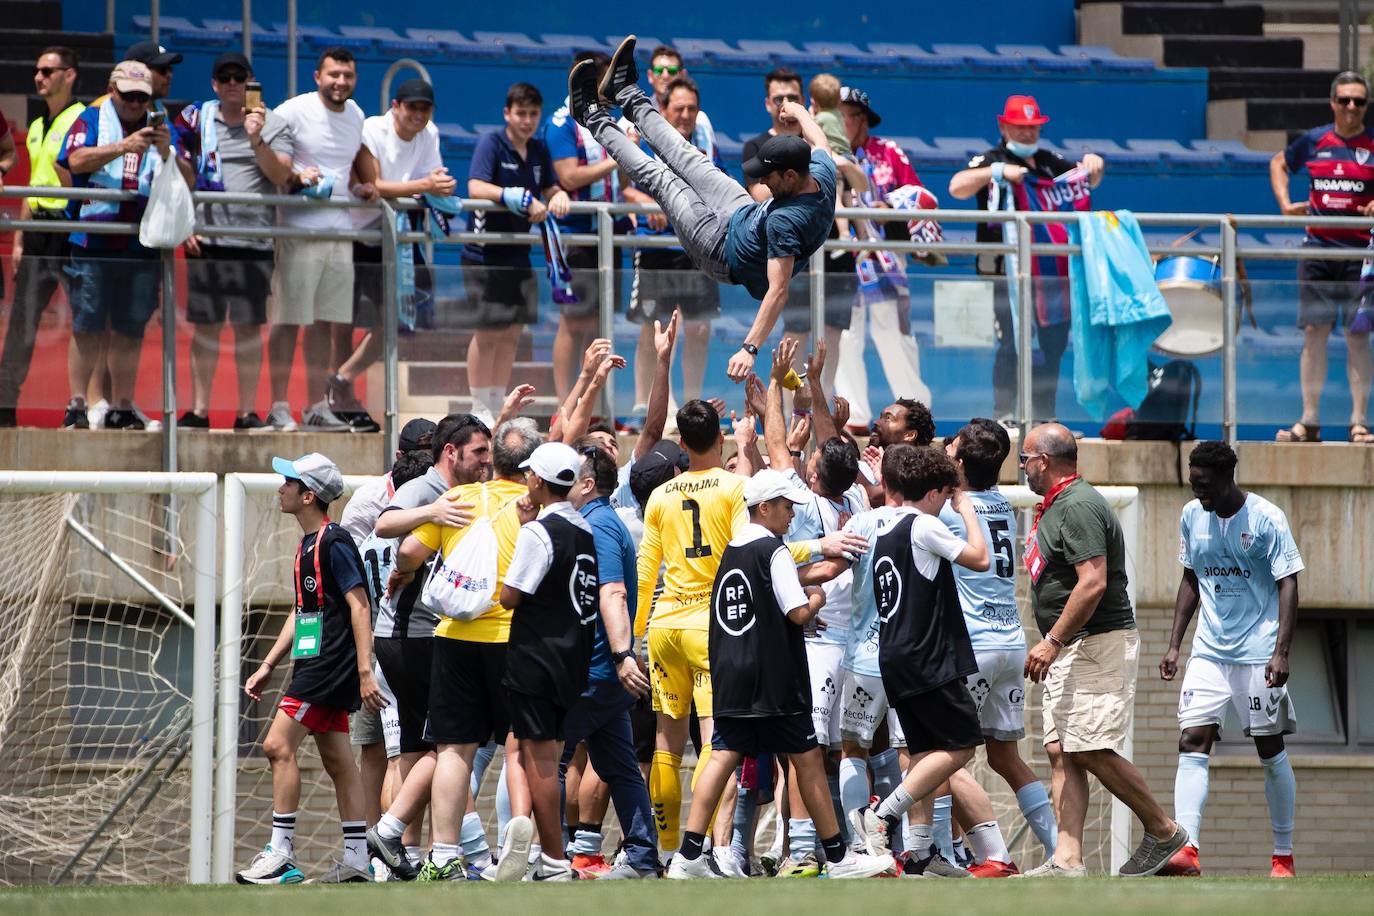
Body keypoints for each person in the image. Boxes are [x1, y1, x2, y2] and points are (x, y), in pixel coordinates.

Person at [667, 469, 895, 881]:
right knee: (807, 760)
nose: (792, 514)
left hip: (732, 674)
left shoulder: (734, 549)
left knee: (721, 757)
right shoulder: (774, 551)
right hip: (773, 679)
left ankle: (687, 856)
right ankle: (839, 857)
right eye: (787, 506)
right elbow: (797, 612)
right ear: (765, 508)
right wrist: (816, 597)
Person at [569, 36, 839, 383]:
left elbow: (778, 291)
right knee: (684, 152)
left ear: (790, 176)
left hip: (719, 248)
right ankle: (625, 92)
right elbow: (821, 142)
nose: (763, 183)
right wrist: (799, 111)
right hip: (742, 214)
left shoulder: (789, 222)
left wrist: (749, 348)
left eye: (768, 178)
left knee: (662, 178)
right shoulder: (821, 171)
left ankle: (591, 116)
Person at [367, 417, 541, 882]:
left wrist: (405, 571)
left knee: (452, 749)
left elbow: (405, 554)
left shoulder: (457, 500)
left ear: (494, 459)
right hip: (512, 638)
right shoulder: (534, 503)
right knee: (521, 744)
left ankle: (443, 855)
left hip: (454, 637)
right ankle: (521, 850)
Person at [1018, 423, 1187, 877]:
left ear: (1044, 461)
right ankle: (1067, 859)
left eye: (1025, 459)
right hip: (1073, 646)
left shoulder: (1078, 505)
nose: (1022, 467)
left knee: (1089, 747)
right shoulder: (1057, 506)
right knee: (1062, 750)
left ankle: (1163, 831)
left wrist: (1053, 640)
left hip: (1095, 643)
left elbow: (1093, 582)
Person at [843, 444, 991, 878]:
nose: (949, 500)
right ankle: (880, 816)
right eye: (946, 493)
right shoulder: (924, 525)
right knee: (962, 743)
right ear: (932, 491)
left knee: (925, 751)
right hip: (925, 657)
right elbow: (980, 559)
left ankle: (921, 853)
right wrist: (967, 511)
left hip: (895, 655)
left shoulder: (885, 530)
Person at [237, 453, 384, 884]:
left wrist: (363, 670)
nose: (280, 488)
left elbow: (360, 606)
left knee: (275, 745)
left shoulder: (334, 542)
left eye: (288, 481)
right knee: (339, 761)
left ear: (309, 495)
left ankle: (281, 853)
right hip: (317, 662)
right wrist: (267, 664)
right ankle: (358, 859)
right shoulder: (306, 546)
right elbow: (303, 613)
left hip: (329, 666)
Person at [1159, 441, 1303, 878]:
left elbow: (1289, 583)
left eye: (1203, 485)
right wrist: (1174, 644)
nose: (1197, 492)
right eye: (1192, 483)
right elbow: (1191, 578)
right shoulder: (1191, 516)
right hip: (1209, 650)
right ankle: (1187, 848)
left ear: (1226, 477)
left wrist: (1280, 651)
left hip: (1258, 653)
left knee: (1268, 748)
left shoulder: (1265, 518)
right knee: (1192, 740)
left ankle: (1283, 855)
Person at [941, 419, 1057, 870]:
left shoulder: (952, 510)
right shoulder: (1004, 506)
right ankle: (1058, 852)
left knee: (939, 753)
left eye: (953, 448)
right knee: (1004, 756)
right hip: (1011, 640)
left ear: (963, 462)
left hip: (973, 645)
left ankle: (966, 855)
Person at [949, 96, 1106, 426]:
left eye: (1033, 128)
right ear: (1003, 127)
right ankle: (1004, 415)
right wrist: (996, 172)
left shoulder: (1049, 162)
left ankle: (1043, 417)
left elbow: (1084, 183)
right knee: (1011, 340)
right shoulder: (990, 158)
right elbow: (957, 187)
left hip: (1052, 274)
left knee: (1053, 343)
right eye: (1020, 128)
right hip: (1005, 273)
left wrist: (1093, 166)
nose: (1027, 134)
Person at [57, 60, 195, 431]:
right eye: (129, 96)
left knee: (130, 328)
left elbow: (189, 178)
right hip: (93, 239)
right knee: (87, 324)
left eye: (141, 97)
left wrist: (167, 151)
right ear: (113, 89)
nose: (135, 104)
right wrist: (123, 146)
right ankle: (77, 404)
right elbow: (74, 160)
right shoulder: (92, 117)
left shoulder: (161, 121)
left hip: (141, 241)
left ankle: (121, 406)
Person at [173, 51, 294, 431]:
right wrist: (185, 221)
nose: (231, 84)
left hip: (254, 242)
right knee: (206, 327)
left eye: (238, 78)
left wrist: (255, 136)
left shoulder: (272, 122)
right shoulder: (196, 119)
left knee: (248, 329)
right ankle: (199, 410)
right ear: (214, 84)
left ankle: (246, 412)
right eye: (223, 77)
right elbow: (177, 173)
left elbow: (281, 176)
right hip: (207, 239)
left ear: (250, 83)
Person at [497, 442, 600, 882]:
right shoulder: (584, 532)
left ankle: (554, 857)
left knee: (537, 755)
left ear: (538, 481)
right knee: (523, 745)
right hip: (571, 657)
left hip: (535, 655)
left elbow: (510, 595)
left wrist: (524, 529)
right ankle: (523, 830)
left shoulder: (538, 532)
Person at [332, 78, 453, 434]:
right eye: (411, 107)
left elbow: (432, 180)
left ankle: (340, 381)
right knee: (345, 321)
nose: (417, 114)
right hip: (361, 233)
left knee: (401, 321)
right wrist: (425, 187)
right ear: (396, 106)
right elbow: (378, 184)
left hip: (398, 235)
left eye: (424, 108)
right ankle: (339, 398)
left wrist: (433, 188)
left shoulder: (428, 132)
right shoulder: (373, 128)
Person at [563, 446, 659, 879]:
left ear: (587, 484)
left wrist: (622, 657)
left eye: (571, 476)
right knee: (620, 765)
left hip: (596, 670)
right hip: (605, 671)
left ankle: (546, 856)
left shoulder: (599, 526)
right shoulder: (602, 522)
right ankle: (640, 854)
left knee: (544, 760)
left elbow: (612, 593)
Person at [267, 47, 374, 432]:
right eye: (333, 74)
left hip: (340, 232)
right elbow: (268, 160)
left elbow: (354, 165)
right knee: (288, 320)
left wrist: (365, 187)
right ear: (317, 77)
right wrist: (296, 177)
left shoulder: (357, 115)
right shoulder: (293, 110)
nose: (340, 82)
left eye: (347, 75)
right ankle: (279, 405)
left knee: (324, 325)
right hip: (297, 230)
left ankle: (315, 405)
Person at [1270, 72, 1374, 444]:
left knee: (1357, 336)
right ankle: (1309, 420)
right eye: (1344, 100)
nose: (1351, 107)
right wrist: (1285, 204)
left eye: (1359, 102)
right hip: (1317, 249)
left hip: (1361, 253)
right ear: (1332, 102)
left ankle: (1359, 421)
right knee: (1315, 333)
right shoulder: (1315, 140)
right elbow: (1279, 163)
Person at [462, 82, 569, 426]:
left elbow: (550, 186)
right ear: (507, 113)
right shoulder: (491, 143)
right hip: (484, 252)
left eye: (533, 114)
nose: (527, 120)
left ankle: (496, 398)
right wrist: (515, 196)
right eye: (520, 113)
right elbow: (475, 186)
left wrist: (557, 196)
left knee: (512, 331)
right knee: (488, 330)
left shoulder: (538, 149)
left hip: (519, 252)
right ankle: (478, 402)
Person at [741, 68, 859, 373]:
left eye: (792, 98)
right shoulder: (758, 149)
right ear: (767, 103)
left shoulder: (815, 157)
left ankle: (819, 403)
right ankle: (786, 404)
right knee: (795, 331)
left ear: (803, 100)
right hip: (787, 252)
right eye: (778, 98)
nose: (784, 103)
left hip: (830, 251)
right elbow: (758, 194)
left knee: (831, 334)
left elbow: (822, 145)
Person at [832, 85, 934, 428]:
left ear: (862, 120)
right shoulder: (825, 152)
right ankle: (854, 414)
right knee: (846, 335)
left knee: (893, 333)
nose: (840, 120)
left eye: (846, 114)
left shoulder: (888, 151)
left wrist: (889, 204)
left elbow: (919, 193)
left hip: (886, 258)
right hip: (843, 256)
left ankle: (915, 413)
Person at [622, 77, 723, 410]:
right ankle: (643, 405)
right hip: (656, 248)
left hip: (696, 250)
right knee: (655, 328)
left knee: (698, 329)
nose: (685, 114)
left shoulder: (704, 148)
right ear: (661, 109)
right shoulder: (641, 142)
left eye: (692, 108)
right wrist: (646, 202)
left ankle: (693, 403)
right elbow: (624, 189)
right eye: (678, 107)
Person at [0, 46, 84, 427]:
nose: (39, 77)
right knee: (22, 321)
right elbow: (34, 186)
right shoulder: (35, 127)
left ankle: (83, 406)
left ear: (70, 75)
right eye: (37, 70)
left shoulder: (84, 119)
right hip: (36, 232)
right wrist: (19, 238)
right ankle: (5, 408)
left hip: (70, 228)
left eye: (48, 71)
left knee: (88, 321)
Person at [544, 51, 622, 405]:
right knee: (572, 323)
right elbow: (569, 175)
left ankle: (594, 401)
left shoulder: (606, 119)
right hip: (578, 235)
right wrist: (618, 157)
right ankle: (565, 402)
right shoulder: (562, 122)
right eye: (601, 81)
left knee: (598, 324)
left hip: (609, 233)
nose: (607, 89)